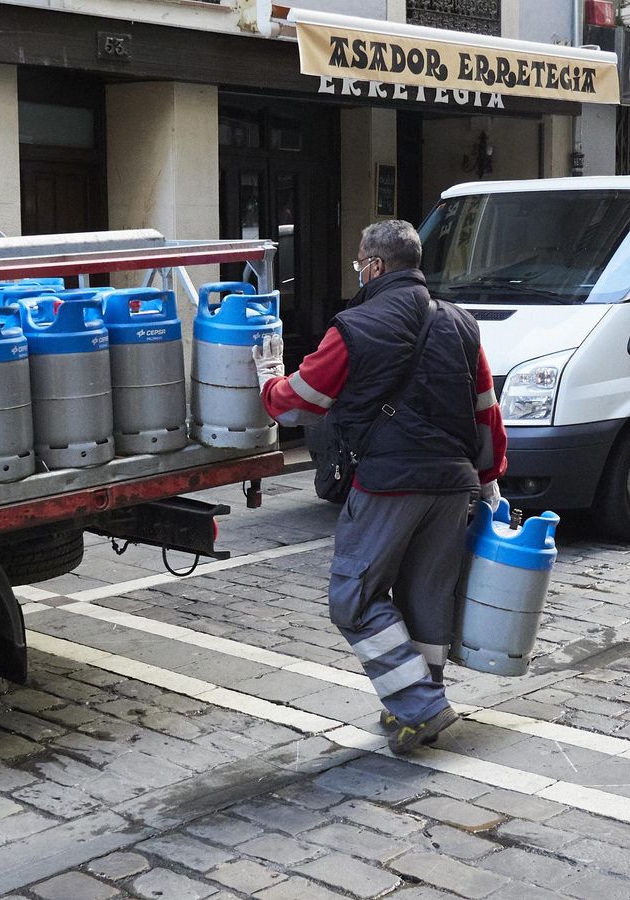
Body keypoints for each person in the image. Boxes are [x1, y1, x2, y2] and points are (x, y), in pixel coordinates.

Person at [254, 219, 507, 754]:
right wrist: (488, 482)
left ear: (374, 265)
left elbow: (300, 402)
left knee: (354, 596)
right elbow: (487, 412)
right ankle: (417, 708)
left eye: (358, 264)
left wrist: (268, 381)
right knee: (426, 597)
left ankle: (419, 705)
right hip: (452, 484)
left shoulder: (354, 325)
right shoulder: (462, 324)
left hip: (390, 481)